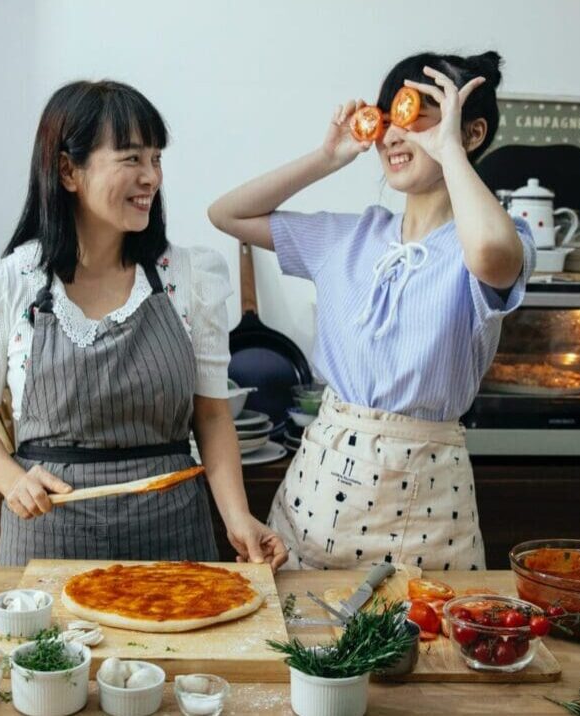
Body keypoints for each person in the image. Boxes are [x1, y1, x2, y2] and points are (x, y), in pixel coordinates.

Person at [207, 52, 535, 571]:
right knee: (300, 642)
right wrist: (327, 158)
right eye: (388, 117)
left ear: (470, 133)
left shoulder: (495, 237)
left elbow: (491, 258)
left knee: (426, 648)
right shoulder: (348, 236)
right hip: (317, 496)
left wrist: (449, 151)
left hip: (430, 509)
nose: (393, 133)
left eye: (416, 115)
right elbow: (226, 213)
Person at [0, 80, 287, 569]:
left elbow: (212, 417)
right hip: (49, 540)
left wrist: (238, 518)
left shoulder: (189, 278)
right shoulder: (8, 283)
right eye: (131, 159)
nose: (151, 176)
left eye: (156, 159)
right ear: (68, 171)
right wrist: (12, 480)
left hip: (171, 538)